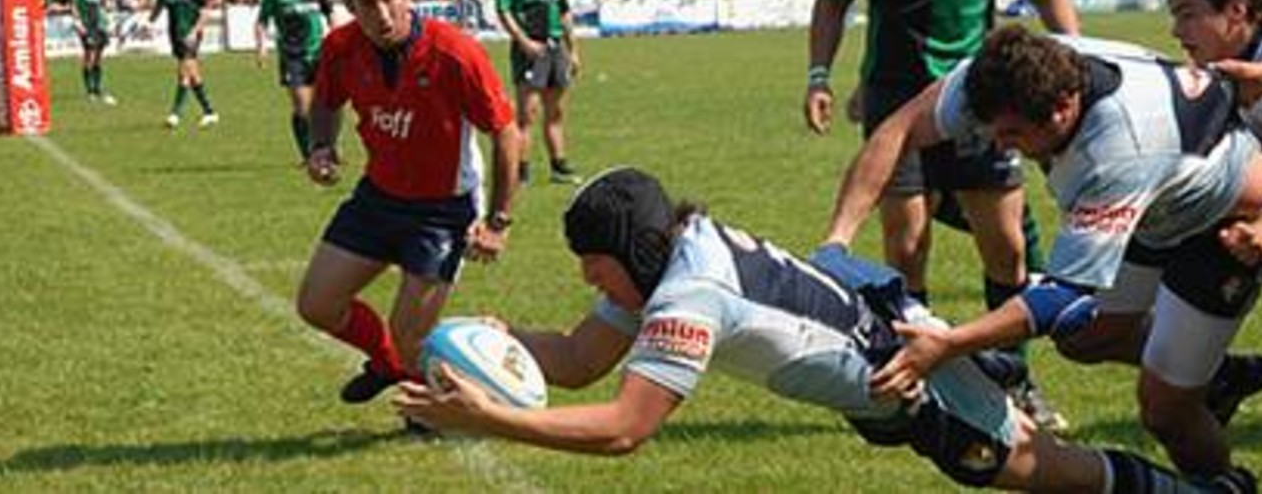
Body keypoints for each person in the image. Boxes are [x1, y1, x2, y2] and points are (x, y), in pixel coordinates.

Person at [397, 167, 1255, 493]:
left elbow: (625, 429)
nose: (589, 281)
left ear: (631, 250)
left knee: (1048, 470)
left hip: (908, 374)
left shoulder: (688, 294)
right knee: (1039, 466)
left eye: (593, 265)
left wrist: (491, 417)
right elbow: (583, 357)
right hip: (879, 360)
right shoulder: (669, 252)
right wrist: (505, 338)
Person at [824, 25, 1262, 480]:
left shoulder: (1116, 152)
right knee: (1083, 337)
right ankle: (1220, 376)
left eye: (1013, 132)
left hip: (1225, 226)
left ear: (1062, 109)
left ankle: (1224, 485)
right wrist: (837, 239)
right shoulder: (1005, 73)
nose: (997, 143)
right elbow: (896, 131)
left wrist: (949, 345)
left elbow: (1061, 296)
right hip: (1157, 213)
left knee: (1165, 410)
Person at [803, 0, 1080, 432]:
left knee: (1007, 248)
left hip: (981, 101)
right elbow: (833, 1)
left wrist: (1074, 55)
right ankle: (926, 378)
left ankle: (1015, 378)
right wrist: (819, 75)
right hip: (895, 105)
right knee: (906, 248)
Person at [297, 0, 522, 418]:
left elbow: (506, 133)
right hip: (378, 196)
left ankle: (436, 408)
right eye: (367, 1)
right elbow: (326, 102)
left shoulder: (455, 53)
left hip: (443, 209)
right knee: (317, 304)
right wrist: (321, 147)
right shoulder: (340, 48)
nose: (382, 12)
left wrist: (498, 222)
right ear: (347, 2)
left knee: (410, 334)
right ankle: (389, 364)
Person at [496, 0, 582, 186]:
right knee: (527, 115)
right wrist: (523, 42)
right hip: (531, 49)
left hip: (556, 48)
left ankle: (559, 166)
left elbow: (565, 13)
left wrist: (573, 49)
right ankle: (521, 171)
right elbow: (503, 11)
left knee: (555, 112)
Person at [256, 0, 335, 162]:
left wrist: (338, 40)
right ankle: (308, 154)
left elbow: (330, 14)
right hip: (292, 56)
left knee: (325, 106)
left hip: (318, 53)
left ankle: (327, 148)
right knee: (302, 106)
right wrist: (261, 47)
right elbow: (262, 21)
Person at [150, 0, 218, 129]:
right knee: (193, 73)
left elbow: (205, 10)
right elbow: (160, 4)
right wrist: (149, 21)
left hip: (190, 32)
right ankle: (209, 111)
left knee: (184, 71)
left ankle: (175, 114)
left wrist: (195, 31)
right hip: (175, 32)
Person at [69, 0, 117, 106]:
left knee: (98, 57)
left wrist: (109, 18)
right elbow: (74, 4)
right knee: (89, 55)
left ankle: (98, 88)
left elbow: (103, 4)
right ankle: (90, 91)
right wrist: (77, 22)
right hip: (87, 24)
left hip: (100, 24)